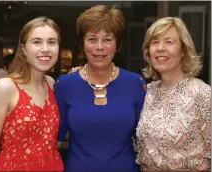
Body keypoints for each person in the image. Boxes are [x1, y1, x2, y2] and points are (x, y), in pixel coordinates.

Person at [54, 5, 146, 172]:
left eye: (107, 39)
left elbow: (145, 141)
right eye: (92, 39)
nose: (99, 47)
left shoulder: (136, 84)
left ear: (117, 45)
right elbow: (54, 140)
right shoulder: (65, 85)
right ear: (82, 44)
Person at [0, 16, 64, 171]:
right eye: (37, 42)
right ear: (23, 49)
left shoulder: (52, 84)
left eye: (51, 42)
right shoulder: (5, 87)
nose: (45, 49)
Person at [136, 17, 211, 171]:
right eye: (155, 42)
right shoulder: (147, 92)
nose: (160, 48)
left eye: (169, 42)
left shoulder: (202, 94)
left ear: (183, 50)